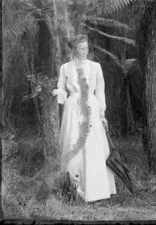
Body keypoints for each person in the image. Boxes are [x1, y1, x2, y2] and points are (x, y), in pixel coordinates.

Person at [52, 34, 116, 202]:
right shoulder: (65, 68)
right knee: (73, 144)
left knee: (92, 146)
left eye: (87, 48)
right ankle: (74, 190)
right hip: (73, 110)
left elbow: (100, 90)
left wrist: (102, 113)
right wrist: (58, 93)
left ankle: (96, 190)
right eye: (82, 48)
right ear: (74, 49)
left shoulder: (95, 67)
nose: (85, 51)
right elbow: (62, 89)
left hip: (91, 108)